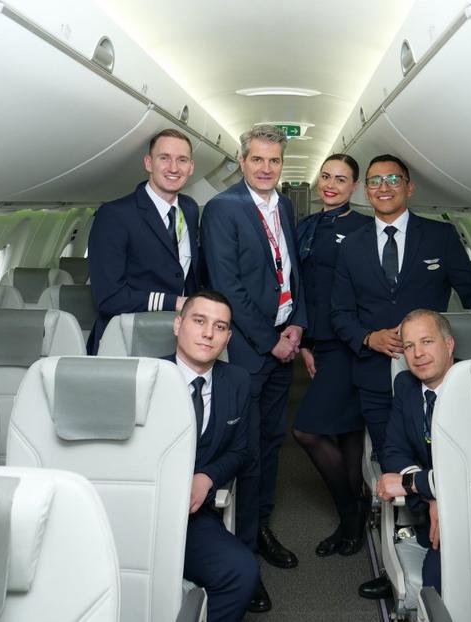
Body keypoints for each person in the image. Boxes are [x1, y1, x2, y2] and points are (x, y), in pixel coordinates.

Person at [330, 154, 471, 462]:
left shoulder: (440, 236)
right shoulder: (351, 245)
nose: (384, 187)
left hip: (432, 375)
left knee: (442, 456)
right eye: (375, 181)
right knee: (390, 457)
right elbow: (340, 313)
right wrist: (369, 338)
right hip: (375, 374)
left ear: (409, 187)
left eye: (393, 179)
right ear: (366, 191)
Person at [200, 125, 307, 611]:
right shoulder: (223, 209)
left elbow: (292, 271)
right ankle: (243, 555)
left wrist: (297, 324)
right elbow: (228, 285)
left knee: (271, 441)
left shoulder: (283, 206)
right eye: (258, 159)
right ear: (241, 161)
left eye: (274, 161)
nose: (266, 168)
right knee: (245, 451)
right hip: (246, 351)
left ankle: (261, 526)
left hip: (283, 340)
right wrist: (271, 342)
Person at [291, 154, 372, 557]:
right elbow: (302, 287)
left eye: (341, 179)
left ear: (354, 187)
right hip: (322, 339)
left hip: (350, 342)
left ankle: (351, 515)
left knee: (308, 429)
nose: (331, 184)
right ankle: (353, 518)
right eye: (326, 176)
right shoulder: (306, 226)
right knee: (347, 430)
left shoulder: (364, 228)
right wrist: (306, 343)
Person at [163, 290, 259, 622]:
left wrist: (208, 477)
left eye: (220, 327)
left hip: (190, 519)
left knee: (242, 573)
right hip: (135, 509)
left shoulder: (238, 381)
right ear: (178, 325)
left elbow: (240, 450)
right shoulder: (144, 375)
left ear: (228, 338)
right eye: (199, 321)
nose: (208, 334)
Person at [359, 309, 454, 602]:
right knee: (435, 585)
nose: (418, 353)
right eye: (409, 346)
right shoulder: (406, 385)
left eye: (427, 341)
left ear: (449, 344)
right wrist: (432, 496)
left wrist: (414, 484)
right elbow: (393, 450)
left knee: (440, 586)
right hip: (433, 511)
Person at [86, 129, 199, 353]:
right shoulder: (114, 215)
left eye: (182, 160)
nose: (173, 168)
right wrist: (177, 302)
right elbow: (109, 298)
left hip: (176, 338)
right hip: (127, 339)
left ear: (191, 167)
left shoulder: (190, 209)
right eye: (164, 158)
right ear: (148, 163)